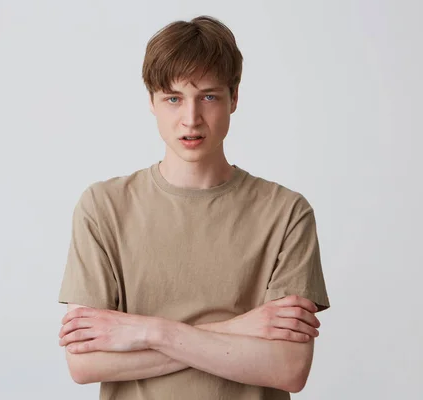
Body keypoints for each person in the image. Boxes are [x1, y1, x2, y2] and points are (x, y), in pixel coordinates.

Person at [57, 15, 330, 400]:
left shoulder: (286, 213)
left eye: (208, 96)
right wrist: (242, 329)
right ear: (151, 101)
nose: (191, 119)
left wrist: (147, 332)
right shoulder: (103, 208)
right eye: (173, 98)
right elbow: (85, 364)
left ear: (234, 98)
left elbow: (288, 369)